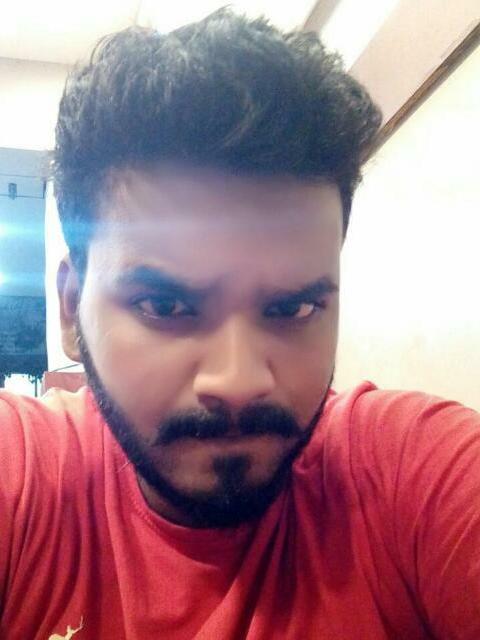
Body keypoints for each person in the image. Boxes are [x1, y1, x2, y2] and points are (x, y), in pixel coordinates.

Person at [0, 8, 479, 639]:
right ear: (70, 306)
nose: (237, 382)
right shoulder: (22, 474)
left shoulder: (415, 474)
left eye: (292, 308)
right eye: (165, 306)